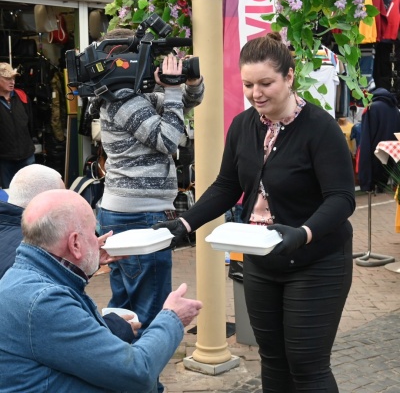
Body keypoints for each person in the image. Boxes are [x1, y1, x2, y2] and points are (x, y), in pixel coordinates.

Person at [154, 32, 356, 392]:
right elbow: (226, 187)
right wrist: (183, 224)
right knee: (273, 360)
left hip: (316, 260)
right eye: (248, 84)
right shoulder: (242, 126)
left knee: (307, 365)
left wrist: (303, 233)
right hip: (261, 259)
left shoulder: (321, 129)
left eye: (266, 83)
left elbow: (341, 199)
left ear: (289, 77)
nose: (255, 93)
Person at [0, 189, 202, 393]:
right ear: (75, 243)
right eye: (92, 233)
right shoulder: (43, 302)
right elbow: (137, 372)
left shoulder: (23, 276)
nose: (98, 239)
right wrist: (172, 317)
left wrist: (85, 260)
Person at [92, 27, 204, 369]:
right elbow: (169, 137)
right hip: (138, 217)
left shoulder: (128, 95)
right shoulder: (123, 100)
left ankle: (118, 370)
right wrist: (169, 89)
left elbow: (185, 104)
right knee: (151, 311)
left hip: (127, 214)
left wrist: (187, 83)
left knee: (125, 308)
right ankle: (142, 375)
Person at [0, 164, 139, 343]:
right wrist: (111, 329)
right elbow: (58, 328)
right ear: (46, 203)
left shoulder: (21, 239)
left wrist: (86, 259)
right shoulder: (33, 247)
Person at [0, 62, 36, 188]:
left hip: (27, 155)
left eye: (13, 78)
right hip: (4, 158)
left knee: (29, 190)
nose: (12, 82)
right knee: (8, 194)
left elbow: (31, 123)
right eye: (7, 78)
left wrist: (30, 143)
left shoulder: (22, 96)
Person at [357, 87, 400, 192]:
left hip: (374, 154)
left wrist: (365, 181)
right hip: (391, 155)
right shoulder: (395, 109)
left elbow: (366, 138)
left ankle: (370, 186)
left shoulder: (371, 108)